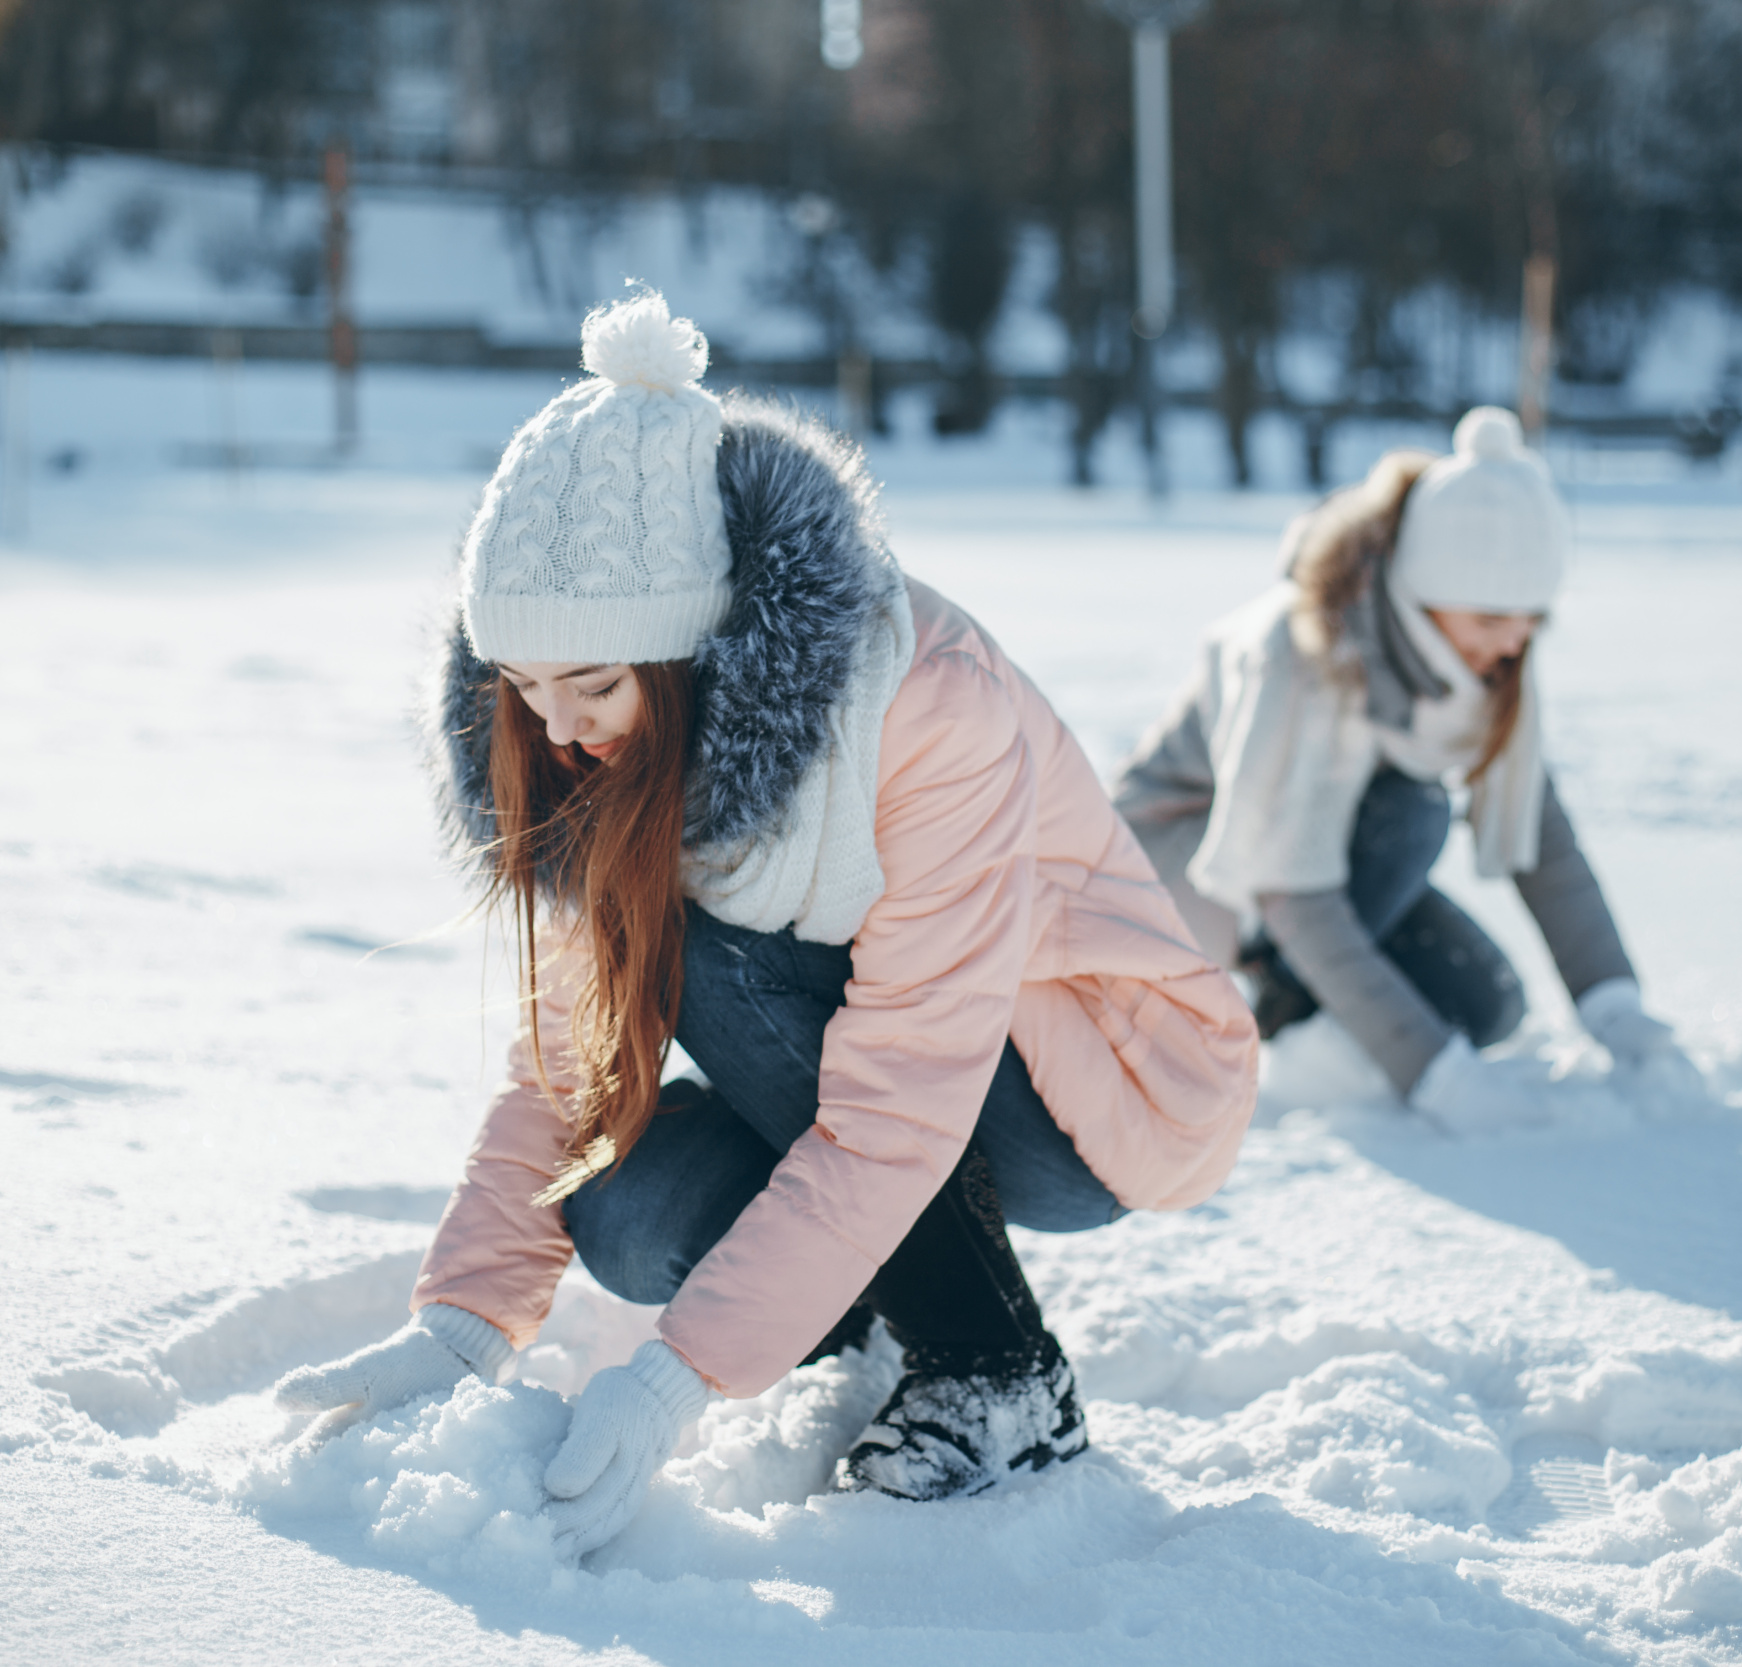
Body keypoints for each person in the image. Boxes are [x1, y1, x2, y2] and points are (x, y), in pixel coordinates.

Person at [270, 293, 1259, 1559]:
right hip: (876, 1074)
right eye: (522, 689)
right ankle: (856, 1305)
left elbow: (897, 1105)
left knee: (711, 950)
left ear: (688, 652)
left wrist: (683, 1374)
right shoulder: (601, 757)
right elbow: (566, 1060)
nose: (560, 730)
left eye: (594, 684)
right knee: (625, 1211)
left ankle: (997, 1370)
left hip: (1091, 1088)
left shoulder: (922, 704)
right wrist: (463, 1316)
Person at [1111, 407, 1698, 1135]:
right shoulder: (1302, 651)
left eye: (1532, 619)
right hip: (1181, 873)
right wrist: (1434, 1075)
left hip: (1321, 867)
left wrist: (1614, 1005)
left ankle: (1323, 1000)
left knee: (1487, 1006)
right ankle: (1285, 1007)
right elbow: (1291, 883)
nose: (1515, 641)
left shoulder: (1472, 663)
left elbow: (1541, 834)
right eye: (1491, 617)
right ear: (1422, 592)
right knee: (1412, 811)